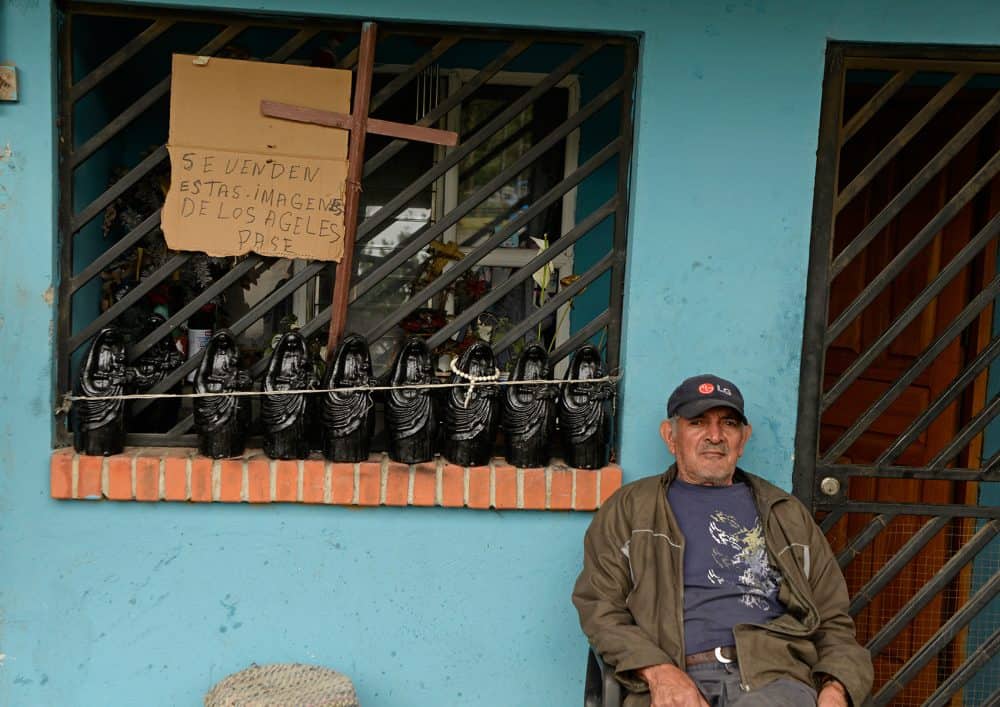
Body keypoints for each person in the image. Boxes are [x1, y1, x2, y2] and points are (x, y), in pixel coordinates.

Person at [572, 374, 873, 707]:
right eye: (698, 422)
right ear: (670, 436)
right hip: (675, 677)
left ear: (743, 440)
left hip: (774, 679)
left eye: (728, 424)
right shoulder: (631, 510)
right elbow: (601, 608)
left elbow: (832, 620)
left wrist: (836, 687)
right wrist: (658, 672)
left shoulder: (786, 515)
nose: (714, 436)